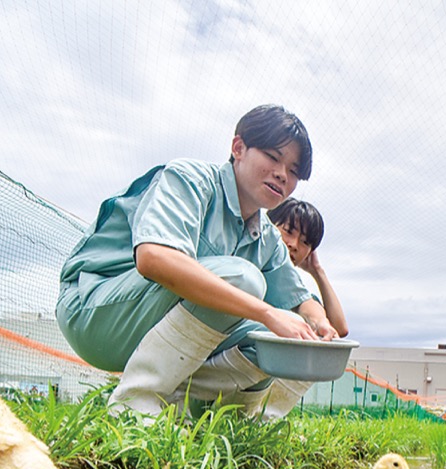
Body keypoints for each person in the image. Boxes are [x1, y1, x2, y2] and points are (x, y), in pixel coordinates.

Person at [55, 104, 338, 419]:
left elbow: (300, 300)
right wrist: (267, 312)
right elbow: (154, 258)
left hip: (149, 327)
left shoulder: (266, 237)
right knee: (245, 281)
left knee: (274, 340)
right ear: (238, 147)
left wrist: (319, 325)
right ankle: (134, 408)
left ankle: (214, 420)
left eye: (294, 171)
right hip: (97, 313)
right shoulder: (190, 179)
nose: (282, 175)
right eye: (273, 157)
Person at [219, 196, 349, 417]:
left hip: (246, 376)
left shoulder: (294, 292)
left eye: (305, 242)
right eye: (288, 231)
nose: (294, 244)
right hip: (218, 351)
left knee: (311, 342)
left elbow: (339, 328)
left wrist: (317, 271)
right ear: (269, 225)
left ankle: (258, 418)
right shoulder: (247, 261)